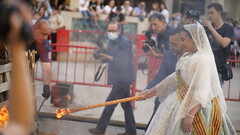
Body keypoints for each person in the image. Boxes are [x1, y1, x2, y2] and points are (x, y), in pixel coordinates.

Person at [138, 22, 237, 135]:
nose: (181, 43)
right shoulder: (188, 57)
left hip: (198, 109)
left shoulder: (202, 59)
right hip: (180, 102)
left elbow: (203, 89)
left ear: (194, 40)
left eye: (183, 39)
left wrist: (190, 114)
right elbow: (174, 79)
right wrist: (149, 92)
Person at [88, 22, 136, 135]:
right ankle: (131, 131)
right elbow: (111, 55)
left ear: (119, 31)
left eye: (112, 31)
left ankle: (100, 129)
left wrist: (106, 56)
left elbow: (122, 61)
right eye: (108, 30)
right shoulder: (112, 41)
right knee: (126, 105)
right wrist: (101, 51)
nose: (110, 33)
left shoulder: (124, 42)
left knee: (110, 103)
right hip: (119, 77)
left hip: (124, 78)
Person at [144, 29, 181, 131]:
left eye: (174, 44)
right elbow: (160, 76)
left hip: (181, 100)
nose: (171, 47)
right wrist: (147, 90)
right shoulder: (168, 55)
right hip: (165, 95)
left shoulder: (189, 59)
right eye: (170, 44)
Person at [204, 3, 234, 85]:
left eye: (212, 13)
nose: (209, 15)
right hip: (205, 69)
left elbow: (224, 43)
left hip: (218, 71)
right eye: (208, 13)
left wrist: (211, 28)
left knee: (215, 97)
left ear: (219, 13)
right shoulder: (206, 28)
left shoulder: (228, 28)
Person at [27, 19, 52, 100]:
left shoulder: (43, 44)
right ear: (35, 29)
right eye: (43, 34)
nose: (45, 38)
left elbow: (46, 66)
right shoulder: (21, 32)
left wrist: (47, 85)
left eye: (47, 35)